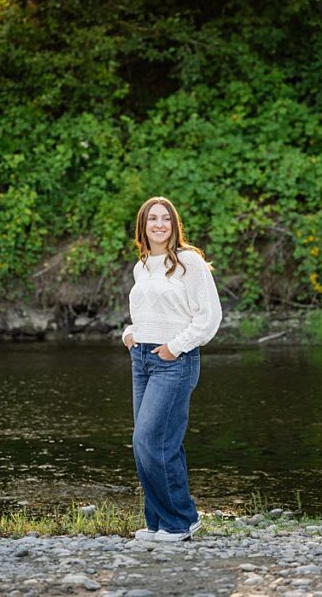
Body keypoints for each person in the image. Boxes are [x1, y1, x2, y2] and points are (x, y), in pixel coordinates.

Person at [121, 196, 223, 541]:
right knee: (154, 443)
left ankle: (180, 521)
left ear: (174, 225)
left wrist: (174, 347)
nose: (160, 224)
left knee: (149, 439)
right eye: (153, 219)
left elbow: (209, 318)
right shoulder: (143, 265)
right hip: (142, 359)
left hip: (174, 360)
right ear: (143, 226)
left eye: (166, 218)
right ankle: (159, 521)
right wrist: (130, 333)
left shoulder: (188, 262)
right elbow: (147, 312)